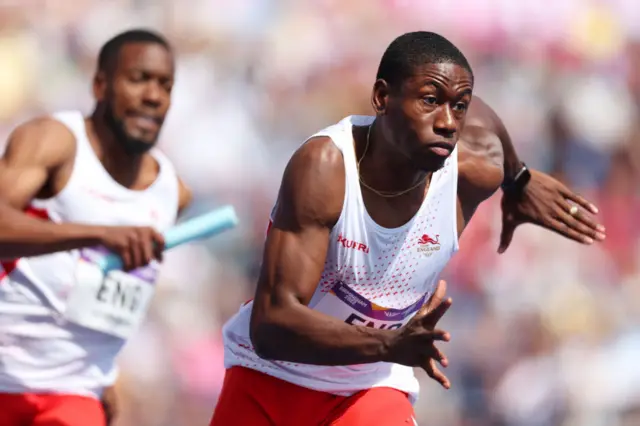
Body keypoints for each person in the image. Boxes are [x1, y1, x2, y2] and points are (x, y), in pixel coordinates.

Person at [210, 31, 605, 426]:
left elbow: (482, 119)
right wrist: (387, 342)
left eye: (458, 107)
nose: (448, 122)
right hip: (269, 380)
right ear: (382, 97)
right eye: (430, 101)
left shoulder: (474, 172)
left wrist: (518, 179)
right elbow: (271, 325)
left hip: (369, 390)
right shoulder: (326, 169)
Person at [0, 29, 191, 426]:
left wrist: (105, 372)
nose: (154, 96)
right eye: (139, 79)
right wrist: (99, 234)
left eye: (165, 85)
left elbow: (107, 297)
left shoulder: (172, 193)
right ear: (100, 85)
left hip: (73, 394)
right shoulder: (55, 142)